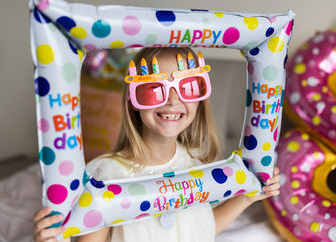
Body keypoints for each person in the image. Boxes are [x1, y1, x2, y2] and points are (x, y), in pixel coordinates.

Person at [33, 47, 281, 242]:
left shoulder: (195, 164)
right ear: (132, 99)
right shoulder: (105, 176)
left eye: (187, 87)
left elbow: (201, 227)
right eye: (154, 88)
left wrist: (247, 197)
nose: (173, 100)